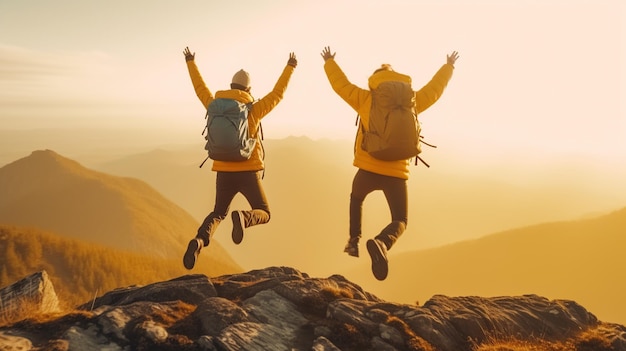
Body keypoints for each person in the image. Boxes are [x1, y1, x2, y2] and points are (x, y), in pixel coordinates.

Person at [320, 46, 459, 280]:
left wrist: (329, 62)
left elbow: (340, 86)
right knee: (400, 220)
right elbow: (435, 90)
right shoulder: (411, 101)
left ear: (375, 81)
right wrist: (448, 66)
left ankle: (354, 241)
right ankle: (383, 243)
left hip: (369, 167)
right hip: (397, 173)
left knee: (356, 198)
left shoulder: (366, 98)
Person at [182, 46, 297, 270]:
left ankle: (199, 241)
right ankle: (244, 218)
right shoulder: (253, 109)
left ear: (231, 86)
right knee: (264, 211)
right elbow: (278, 93)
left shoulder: (214, 104)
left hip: (223, 171)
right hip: (248, 171)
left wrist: (190, 61)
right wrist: (290, 67)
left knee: (218, 213)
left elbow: (199, 88)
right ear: (248, 88)